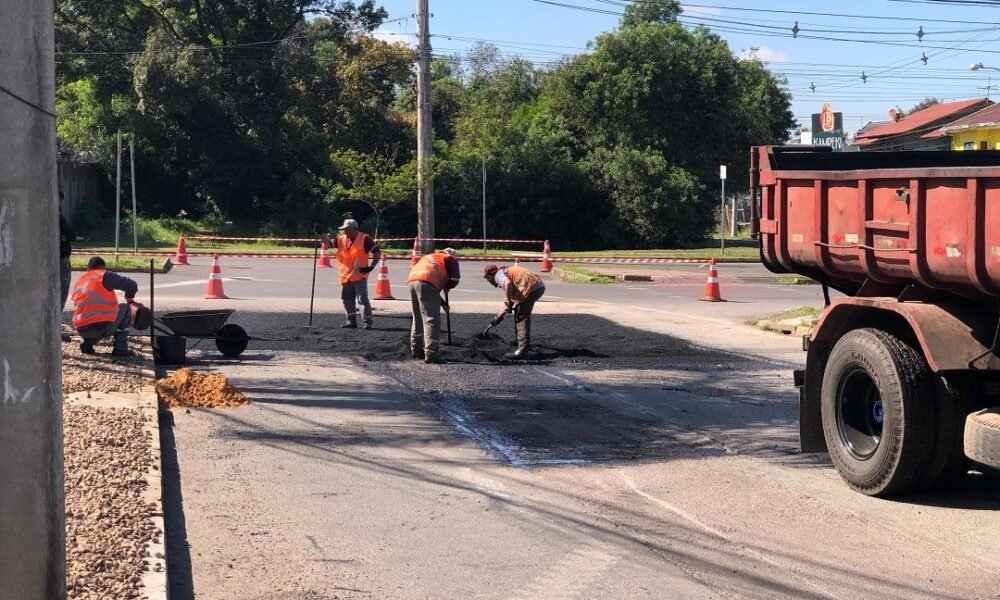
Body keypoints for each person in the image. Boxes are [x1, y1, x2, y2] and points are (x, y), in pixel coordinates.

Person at [319, 218, 381, 329]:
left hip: (359, 275)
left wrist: (371, 267)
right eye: (344, 230)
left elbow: (377, 252)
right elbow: (328, 244)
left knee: (362, 299)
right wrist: (320, 234)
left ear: (355, 229)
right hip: (345, 276)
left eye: (347, 230)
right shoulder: (341, 239)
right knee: (347, 299)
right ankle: (351, 321)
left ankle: (367, 322)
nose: (345, 232)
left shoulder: (364, 239)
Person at [71, 256, 139, 357]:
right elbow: (132, 285)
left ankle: (87, 343)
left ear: (88, 269)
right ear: (103, 268)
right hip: (100, 328)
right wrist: (129, 297)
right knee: (126, 308)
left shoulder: (80, 281)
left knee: (88, 315)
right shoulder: (104, 275)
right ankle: (120, 348)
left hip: (81, 329)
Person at [407, 248, 461, 364]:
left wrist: (443, 303)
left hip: (412, 281)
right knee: (431, 320)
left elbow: (431, 294)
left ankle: (416, 349)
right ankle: (432, 353)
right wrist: (448, 287)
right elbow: (455, 279)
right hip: (427, 281)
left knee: (417, 318)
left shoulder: (432, 258)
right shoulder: (450, 259)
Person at [483, 263, 546, 360]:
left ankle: (523, 351)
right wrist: (498, 317)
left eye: (488, 279)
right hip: (537, 286)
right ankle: (520, 342)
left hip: (532, 288)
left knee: (521, 315)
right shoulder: (507, 272)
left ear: (490, 276)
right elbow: (511, 302)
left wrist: (507, 300)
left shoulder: (498, 276)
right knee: (518, 310)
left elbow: (507, 283)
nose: (489, 282)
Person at [59, 191, 76, 309]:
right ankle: (57, 315)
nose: (62, 205)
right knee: (63, 290)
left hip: (55, 259)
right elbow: (72, 235)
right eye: (62, 202)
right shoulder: (59, 217)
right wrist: (65, 236)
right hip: (62, 259)